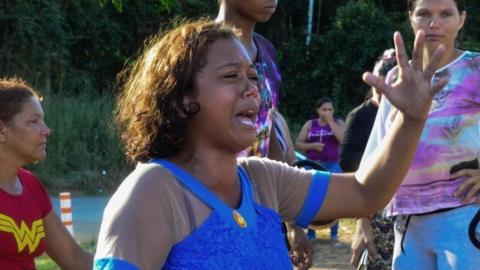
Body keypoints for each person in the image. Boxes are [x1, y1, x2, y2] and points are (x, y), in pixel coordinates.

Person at [93, 19, 448, 269]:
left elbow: (366, 193)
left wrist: (411, 119)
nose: (252, 89)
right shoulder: (152, 193)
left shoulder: (263, 180)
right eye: (231, 76)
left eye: (253, 76)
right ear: (182, 98)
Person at [354, 0, 480, 269]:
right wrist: (362, 218)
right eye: (423, 14)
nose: (434, 23)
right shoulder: (398, 76)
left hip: (465, 216)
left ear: (462, 19)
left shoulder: (476, 68)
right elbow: (378, 148)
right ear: (410, 18)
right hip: (408, 220)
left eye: (446, 14)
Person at [215, 1, 313, 267]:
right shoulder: (201, 48)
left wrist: (293, 221)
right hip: (211, 207)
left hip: (259, 207)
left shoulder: (266, 51)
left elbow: (268, 134)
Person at [0, 78, 93, 269]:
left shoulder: (30, 184)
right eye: (34, 121)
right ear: (1, 130)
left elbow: (74, 257)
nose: (47, 130)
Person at [341, 49, 397, 269]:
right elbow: (348, 161)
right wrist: (362, 217)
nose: (382, 93)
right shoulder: (360, 115)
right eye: (377, 88)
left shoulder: (410, 111)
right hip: (376, 204)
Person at [295, 96, 345, 243]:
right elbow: (298, 144)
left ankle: (334, 233)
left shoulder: (338, 122)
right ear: (318, 110)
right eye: (324, 109)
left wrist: (330, 121)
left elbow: (343, 139)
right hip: (313, 164)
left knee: (334, 196)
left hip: (333, 164)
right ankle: (311, 232)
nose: (327, 112)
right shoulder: (310, 124)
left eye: (330, 109)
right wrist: (312, 146)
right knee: (312, 196)